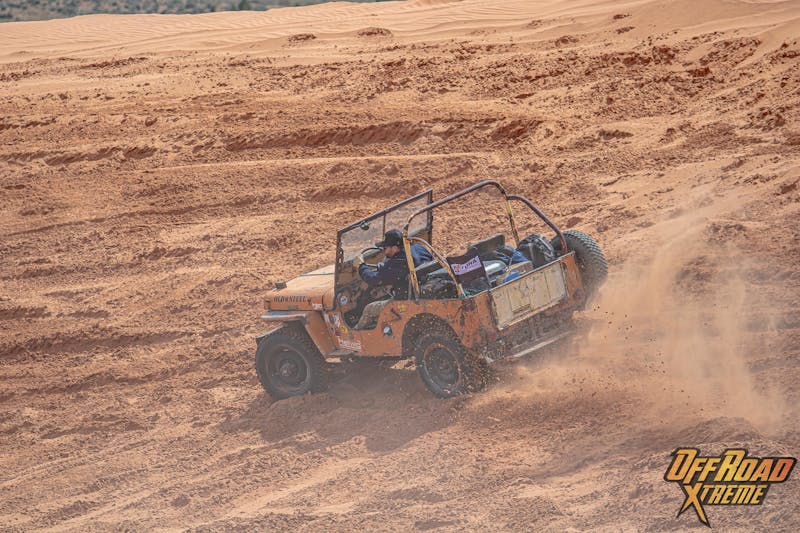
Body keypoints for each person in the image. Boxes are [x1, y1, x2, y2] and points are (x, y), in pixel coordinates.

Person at [353, 229, 432, 330]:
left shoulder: (398, 262)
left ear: (394, 248)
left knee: (369, 309)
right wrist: (385, 267)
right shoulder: (419, 248)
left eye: (385, 247)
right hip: (425, 288)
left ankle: (355, 334)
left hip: (406, 300)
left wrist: (361, 266)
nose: (383, 250)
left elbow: (374, 280)